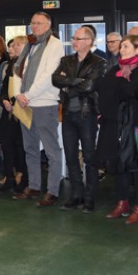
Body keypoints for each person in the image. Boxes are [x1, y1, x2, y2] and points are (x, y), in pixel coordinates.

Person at [52, 26, 106, 212]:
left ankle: (89, 198)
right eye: (73, 38)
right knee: (71, 156)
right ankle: (76, 195)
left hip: (87, 115)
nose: (73, 41)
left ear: (89, 42)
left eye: (78, 38)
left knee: (90, 157)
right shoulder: (66, 60)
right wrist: (77, 81)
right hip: (68, 114)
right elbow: (55, 79)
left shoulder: (99, 62)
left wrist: (69, 84)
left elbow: (90, 85)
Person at [97, 35, 138, 224]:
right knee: (120, 164)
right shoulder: (114, 70)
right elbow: (105, 92)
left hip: (137, 124)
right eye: (121, 47)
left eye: (126, 46)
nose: (122, 50)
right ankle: (122, 202)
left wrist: (124, 91)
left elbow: (136, 92)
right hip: (115, 124)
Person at [12, 12, 64, 206]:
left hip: (44, 103)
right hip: (25, 103)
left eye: (39, 23)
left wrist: (28, 94)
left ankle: (52, 191)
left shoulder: (55, 44)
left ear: (48, 24)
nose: (35, 26)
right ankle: (33, 186)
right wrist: (18, 94)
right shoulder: (29, 43)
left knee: (51, 151)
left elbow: (49, 74)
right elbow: (18, 70)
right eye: (32, 22)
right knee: (30, 148)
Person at [0, 36, 28, 194]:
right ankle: (9, 176)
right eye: (13, 45)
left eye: (17, 45)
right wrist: (4, 101)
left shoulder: (29, 65)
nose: (13, 47)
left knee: (21, 146)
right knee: (6, 144)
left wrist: (15, 101)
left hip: (23, 111)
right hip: (8, 112)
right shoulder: (10, 66)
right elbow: (3, 90)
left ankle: (22, 178)